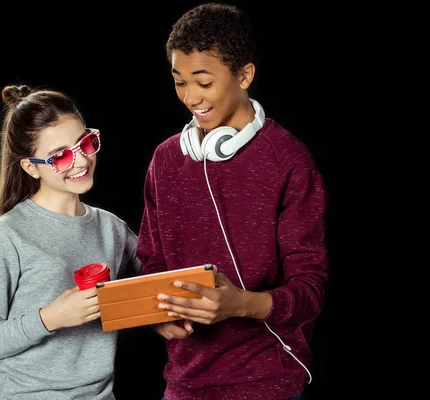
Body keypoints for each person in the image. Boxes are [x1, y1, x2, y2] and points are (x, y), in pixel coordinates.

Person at [136, 3, 328, 400]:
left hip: (270, 384)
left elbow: (310, 290)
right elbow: (152, 264)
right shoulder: (166, 159)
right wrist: (157, 317)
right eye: (179, 82)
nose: (190, 97)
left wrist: (241, 304)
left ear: (245, 75)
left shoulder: (288, 160)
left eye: (203, 82)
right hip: (184, 384)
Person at [0, 84, 142, 400]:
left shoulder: (112, 228)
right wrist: (51, 318)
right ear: (30, 167)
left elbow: (150, 289)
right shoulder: (5, 234)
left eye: (85, 143)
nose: (80, 161)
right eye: (60, 156)